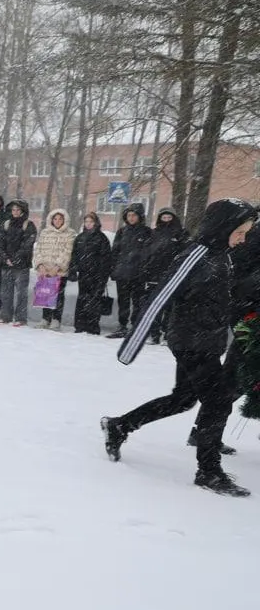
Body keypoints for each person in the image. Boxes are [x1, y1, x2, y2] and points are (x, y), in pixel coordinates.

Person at [103, 198, 258, 497]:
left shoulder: (222, 255)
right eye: (240, 231)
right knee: (218, 401)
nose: (242, 238)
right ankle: (208, 471)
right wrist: (132, 345)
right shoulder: (196, 255)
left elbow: (225, 297)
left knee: (184, 399)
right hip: (190, 341)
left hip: (208, 340)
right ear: (224, 227)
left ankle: (120, 425)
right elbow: (160, 297)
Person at [142, 208, 188, 344]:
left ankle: (167, 334)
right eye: (164, 218)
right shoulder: (154, 233)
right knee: (155, 306)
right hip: (154, 275)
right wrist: (147, 269)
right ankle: (154, 334)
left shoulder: (181, 233)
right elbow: (147, 253)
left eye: (169, 218)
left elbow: (185, 253)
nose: (167, 220)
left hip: (173, 274)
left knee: (170, 307)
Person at [107, 204, 152, 338]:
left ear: (140, 216)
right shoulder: (122, 232)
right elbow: (115, 252)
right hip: (122, 273)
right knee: (123, 302)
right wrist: (113, 269)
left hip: (139, 274)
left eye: (134, 215)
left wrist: (145, 270)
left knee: (138, 302)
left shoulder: (147, 232)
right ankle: (122, 326)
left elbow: (149, 253)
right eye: (129, 215)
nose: (131, 218)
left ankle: (136, 326)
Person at [0, 199, 37, 326]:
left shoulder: (29, 225)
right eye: (13, 210)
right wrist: (5, 257)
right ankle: (5, 316)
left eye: (18, 210)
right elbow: (0, 243)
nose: (15, 212)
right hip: (6, 264)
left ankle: (20, 318)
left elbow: (27, 244)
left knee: (21, 293)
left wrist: (16, 258)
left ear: (23, 211)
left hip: (22, 265)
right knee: (5, 292)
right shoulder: (6, 224)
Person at [69, 212, 112, 335]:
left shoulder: (101, 238)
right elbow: (74, 255)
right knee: (82, 298)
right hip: (83, 274)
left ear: (96, 223)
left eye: (91, 222)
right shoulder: (80, 237)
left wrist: (104, 275)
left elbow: (106, 258)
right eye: (86, 222)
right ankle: (80, 325)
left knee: (94, 299)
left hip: (97, 275)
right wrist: (73, 269)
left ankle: (92, 325)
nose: (88, 224)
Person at [32, 209, 75, 330]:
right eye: (55, 219)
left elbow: (68, 252)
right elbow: (38, 249)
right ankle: (45, 319)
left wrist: (57, 267)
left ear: (64, 220)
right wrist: (40, 265)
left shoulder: (69, 233)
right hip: (44, 270)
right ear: (51, 220)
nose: (57, 221)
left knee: (58, 296)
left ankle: (56, 319)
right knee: (45, 294)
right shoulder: (45, 232)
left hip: (59, 271)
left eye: (60, 219)